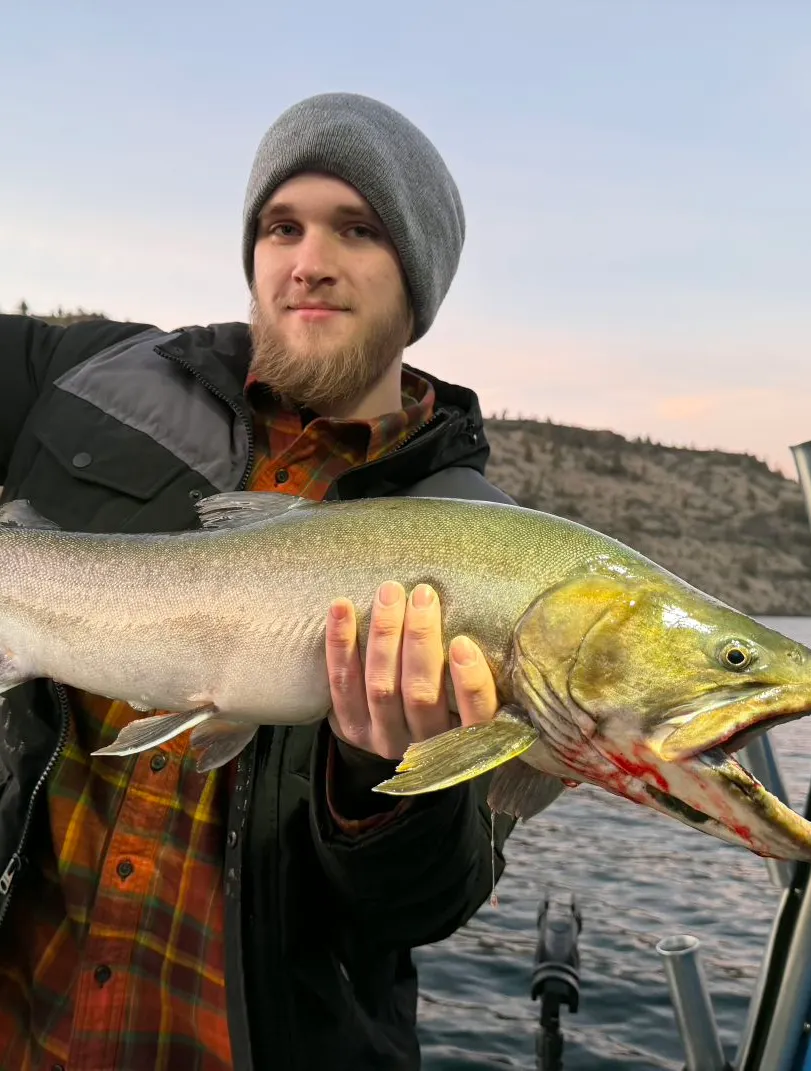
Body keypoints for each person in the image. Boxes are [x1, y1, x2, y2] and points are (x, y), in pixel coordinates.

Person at [0, 92, 517, 1071]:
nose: (307, 261)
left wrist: (381, 783)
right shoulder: (87, 370)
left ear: (418, 280)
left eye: (356, 229)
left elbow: (426, 903)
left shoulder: (487, 549)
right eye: (282, 227)